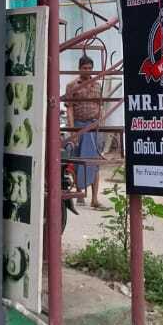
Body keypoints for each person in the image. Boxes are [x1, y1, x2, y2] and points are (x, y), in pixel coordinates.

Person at [64, 55, 106, 210]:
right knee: (77, 160)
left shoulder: (97, 85)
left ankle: (94, 199)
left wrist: (100, 125)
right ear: (79, 68)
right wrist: (73, 130)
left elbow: (101, 106)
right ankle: (80, 192)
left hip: (93, 127)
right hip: (79, 126)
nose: (88, 71)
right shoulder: (72, 86)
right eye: (85, 68)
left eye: (90, 68)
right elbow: (69, 108)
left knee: (94, 162)